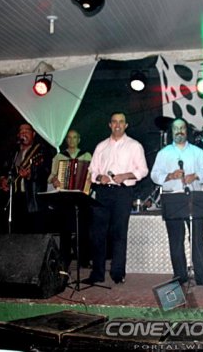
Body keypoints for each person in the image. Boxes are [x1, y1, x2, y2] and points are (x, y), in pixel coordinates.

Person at [150, 118, 203, 287]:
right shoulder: (163, 153)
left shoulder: (197, 152)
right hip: (172, 198)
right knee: (176, 239)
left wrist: (196, 176)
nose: (179, 131)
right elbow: (154, 175)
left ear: (187, 131)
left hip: (194, 198)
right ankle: (180, 276)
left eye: (182, 128)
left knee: (197, 238)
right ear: (171, 132)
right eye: (176, 128)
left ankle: (202, 276)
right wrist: (170, 176)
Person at [86, 111, 148, 284]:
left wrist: (125, 175)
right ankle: (97, 274)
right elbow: (92, 171)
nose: (118, 125)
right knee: (98, 233)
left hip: (123, 192)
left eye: (121, 122)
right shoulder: (101, 146)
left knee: (119, 233)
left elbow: (143, 170)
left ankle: (117, 273)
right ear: (110, 125)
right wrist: (100, 177)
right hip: (103, 192)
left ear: (126, 125)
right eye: (114, 121)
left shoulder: (134, 146)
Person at [47, 128, 93, 268]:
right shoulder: (59, 157)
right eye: (69, 137)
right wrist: (54, 180)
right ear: (66, 140)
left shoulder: (86, 155)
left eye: (74, 137)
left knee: (84, 228)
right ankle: (64, 260)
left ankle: (84, 259)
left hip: (81, 195)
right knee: (64, 229)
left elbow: (92, 172)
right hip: (65, 196)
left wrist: (89, 181)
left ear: (79, 140)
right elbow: (51, 176)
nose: (72, 140)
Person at [0, 122, 52, 233]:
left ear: (33, 134)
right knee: (16, 234)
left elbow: (46, 171)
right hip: (15, 199)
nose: (23, 133)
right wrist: (2, 179)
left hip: (33, 199)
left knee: (33, 234)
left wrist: (30, 175)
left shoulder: (41, 150)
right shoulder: (14, 152)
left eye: (26, 131)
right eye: (21, 132)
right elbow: (4, 168)